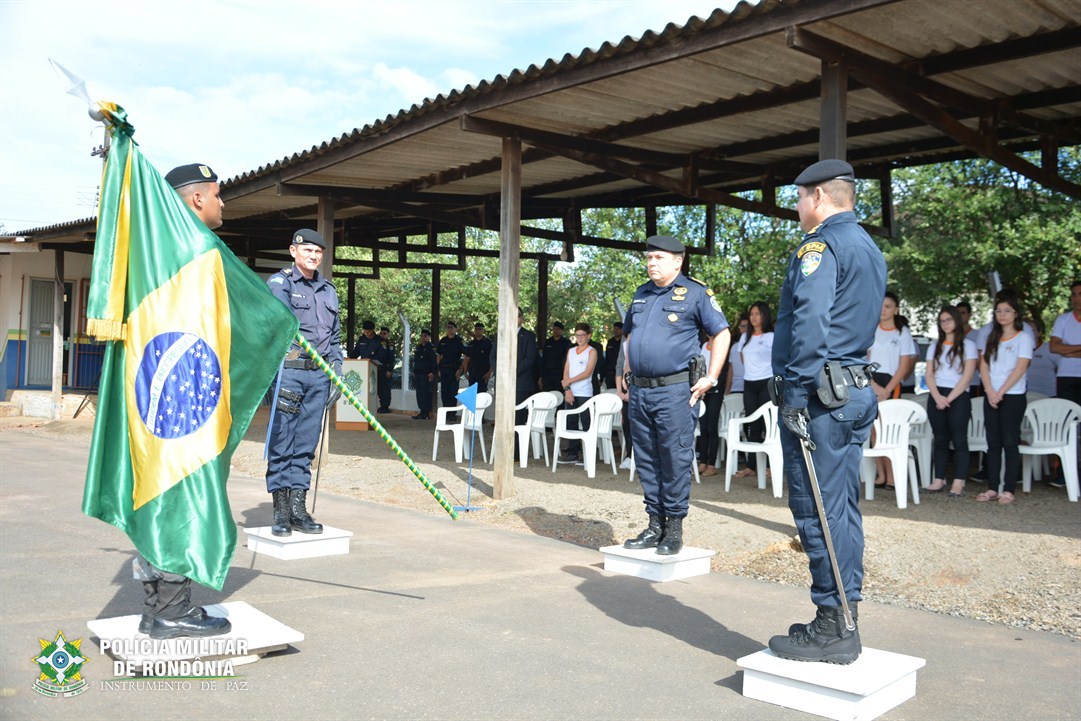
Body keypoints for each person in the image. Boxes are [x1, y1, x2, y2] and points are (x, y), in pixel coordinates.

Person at [768, 159, 886, 665]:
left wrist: (794, 395)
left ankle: (833, 625)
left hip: (820, 397)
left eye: (798, 198)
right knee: (840, 508)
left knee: (816, 510)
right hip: (851, 389)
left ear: (817, 197)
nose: (797, 208)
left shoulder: (820, 245)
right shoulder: (868, 245)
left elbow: (811, 321)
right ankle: (845, 613)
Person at [132, 163, 232, 640]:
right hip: (183, 392)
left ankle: (160, 606)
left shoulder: (160, 248)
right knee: (183, 492)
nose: (222, 203)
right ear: (196, 200)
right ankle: (173, 609)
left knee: (163, 487)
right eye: (217, 195)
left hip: (166, 391)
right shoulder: (194, 249)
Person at [620, 235, 730, 556]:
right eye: (649, 258)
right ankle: (655, 524)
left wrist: (711, 377)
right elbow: (631, 335)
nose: (651, 263)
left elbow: (721, 333)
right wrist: (627, 370)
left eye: (658, 258)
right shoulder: (641, 294)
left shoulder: (695, 293)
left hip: (675, 391)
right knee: (646, 457)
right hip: (640, 390)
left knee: (675, 457)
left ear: (677, 262)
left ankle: (674, 528)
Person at [265, 228, 340, 536]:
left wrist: (336, 369)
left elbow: (334, 337)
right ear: (293, 251)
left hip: (319, 375)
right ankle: (281, 511)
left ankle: (299, 508)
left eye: (318, 252)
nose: (313, 256)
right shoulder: (281, 283)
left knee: (306, 444)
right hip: (289, 371)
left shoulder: (328, 290)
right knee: (282, 442)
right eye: (307, 251)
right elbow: (281, 321)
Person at [976, 296, 1033, 505]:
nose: (1002, 314)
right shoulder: (991, 336)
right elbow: (983, 365)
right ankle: (992, 487)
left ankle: (1008, 489)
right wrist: (990, 390)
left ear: (1015, 314)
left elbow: (1021, 367)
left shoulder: (1023, 338)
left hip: (1013, 395)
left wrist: (1001, 391)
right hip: (991, 394)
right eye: (999, 311)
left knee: (1010, 441)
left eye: (1007, 310)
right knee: (992, 442)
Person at [924, 306, 978, 496]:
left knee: (959, 440)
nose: (945, 324)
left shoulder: (969, 346)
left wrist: (950, 398)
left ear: (957, 320)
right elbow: (929, 375)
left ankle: (958, 482)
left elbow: (967, 376)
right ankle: (939, 479)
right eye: (942, 321)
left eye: (948, 319)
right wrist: (938, 397)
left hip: (958, 396)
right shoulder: (934, 346)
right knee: (940, 440)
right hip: (937, 395)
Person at [868, 291, 917, 490]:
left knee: (889, 428)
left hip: (891, 383)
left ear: (896, 309)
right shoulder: (870, 329)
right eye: (881, 305)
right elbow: (863, 360)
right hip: (871, 381)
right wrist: (874, 386)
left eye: (888, 306)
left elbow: (905, 364)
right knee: (873, 430)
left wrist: (887, 389)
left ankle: (893, 477)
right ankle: (881, 475)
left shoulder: (902, 332)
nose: (883, 310)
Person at [733, 302, 775, 480]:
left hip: (767, 382)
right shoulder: (745, 338)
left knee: (769, 425)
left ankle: (770, 467)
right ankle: (751, 466)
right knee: (752, 426)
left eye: (758, 313)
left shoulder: (772, 336)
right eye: (752, 314)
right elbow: (744, 359)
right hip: (749, 384)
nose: (754, 317)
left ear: (764, 316)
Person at [559, 323, 599, 463]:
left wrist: (568, 381)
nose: (580, 338)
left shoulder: (592, 351)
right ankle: (572, 453)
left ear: (588, 336)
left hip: (585, 392)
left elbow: (587, 373)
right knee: (571, 421)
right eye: (577, 335)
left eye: (583, 335)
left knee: (586, 422)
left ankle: (589, 455)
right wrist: (567, 389)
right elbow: (566, 371)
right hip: (571, 392)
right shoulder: (571, 351)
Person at [696, 329, 725, 477]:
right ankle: (702, 462)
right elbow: (701, 367)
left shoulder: (721, 345)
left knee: (712, 428)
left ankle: (712, 464)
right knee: (703, 427)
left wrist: (712, 385)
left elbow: (722, 369)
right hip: (703, 390)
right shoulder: (703, 345)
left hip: (715, 390)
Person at [1050, 281, 1081, 406]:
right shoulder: (1062, 319)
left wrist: (1068, 351)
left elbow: (1060, 348)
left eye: (1080, 294)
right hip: (1066, 375)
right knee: (1067, 416)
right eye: (1073, 294)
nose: (1077, 298)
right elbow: (1054, 347)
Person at [435, 322, 467, 410]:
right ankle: (446, 412)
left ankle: (452, 413)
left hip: (454, 370)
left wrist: (461, 369)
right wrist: (438, 368)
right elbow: (439, 354)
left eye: (452, 327)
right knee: (444, 392)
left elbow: (467, 355)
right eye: (448, 327)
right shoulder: (443, 340)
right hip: (444, 369)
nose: (449, 329)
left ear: (456, 329)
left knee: (453, 391)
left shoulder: (459, 341)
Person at [412, 329, 437, 420]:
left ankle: (426, 412)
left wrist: (432, 372)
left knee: (426, 393)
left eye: (425, 336)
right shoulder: (419, 347)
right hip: (418, 373)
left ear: (429, 337)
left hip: (426, 374)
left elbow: (433, 361)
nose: (423, 337)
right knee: (419, 393)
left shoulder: (431, 347)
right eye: (422, 336)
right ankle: (422, 411)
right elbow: (416, 361)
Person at [462, 322, 494, 392]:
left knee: (481, 394)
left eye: (480, 329)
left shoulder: (488, 343)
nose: (478, 331)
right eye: (476, 329)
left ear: (483, 330)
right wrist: (465, 372)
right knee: (472, 394)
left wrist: (489, 373)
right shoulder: (471, 344)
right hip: (472, 373)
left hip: (483, 373)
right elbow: (467, 358)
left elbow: (493, 359)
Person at [723, 313, 749, 395]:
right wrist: (727, 389)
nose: (744, 328)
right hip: (735, 387)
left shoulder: (755, 345)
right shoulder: (734, 347)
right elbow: (731, 369)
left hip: (750, 384)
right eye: (742, 326)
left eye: (747, 326)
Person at [375, 326, 395, 413]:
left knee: (386, 388)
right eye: (381, 333)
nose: (382, 335)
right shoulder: (377, 343)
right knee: (380, 388)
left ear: (388, 334)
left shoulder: (390, 344)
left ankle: (385, 406)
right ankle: (381, 404)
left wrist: (390, 370)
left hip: (386, 368)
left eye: (384, 333)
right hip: (378, 368)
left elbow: (391, 358)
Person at [604, 322, 624, 390]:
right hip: (610, 374)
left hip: (621, 373)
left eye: (618, 329)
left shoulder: (625, 342)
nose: (615, 330)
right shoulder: (610, 342)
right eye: (614, 328)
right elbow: (607, 359)